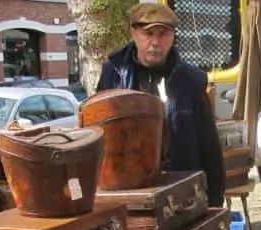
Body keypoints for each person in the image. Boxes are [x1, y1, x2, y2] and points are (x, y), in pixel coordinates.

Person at [96, 2, 225, 207]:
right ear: (134, 33)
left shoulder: (191, 80)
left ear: (173, 36)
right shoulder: (113, 73)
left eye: (163, 34)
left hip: (179, 187)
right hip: (128, 187)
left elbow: (208, 143)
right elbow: (98, 132)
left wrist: (215, 200)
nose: (155, 42)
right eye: (149, 34)